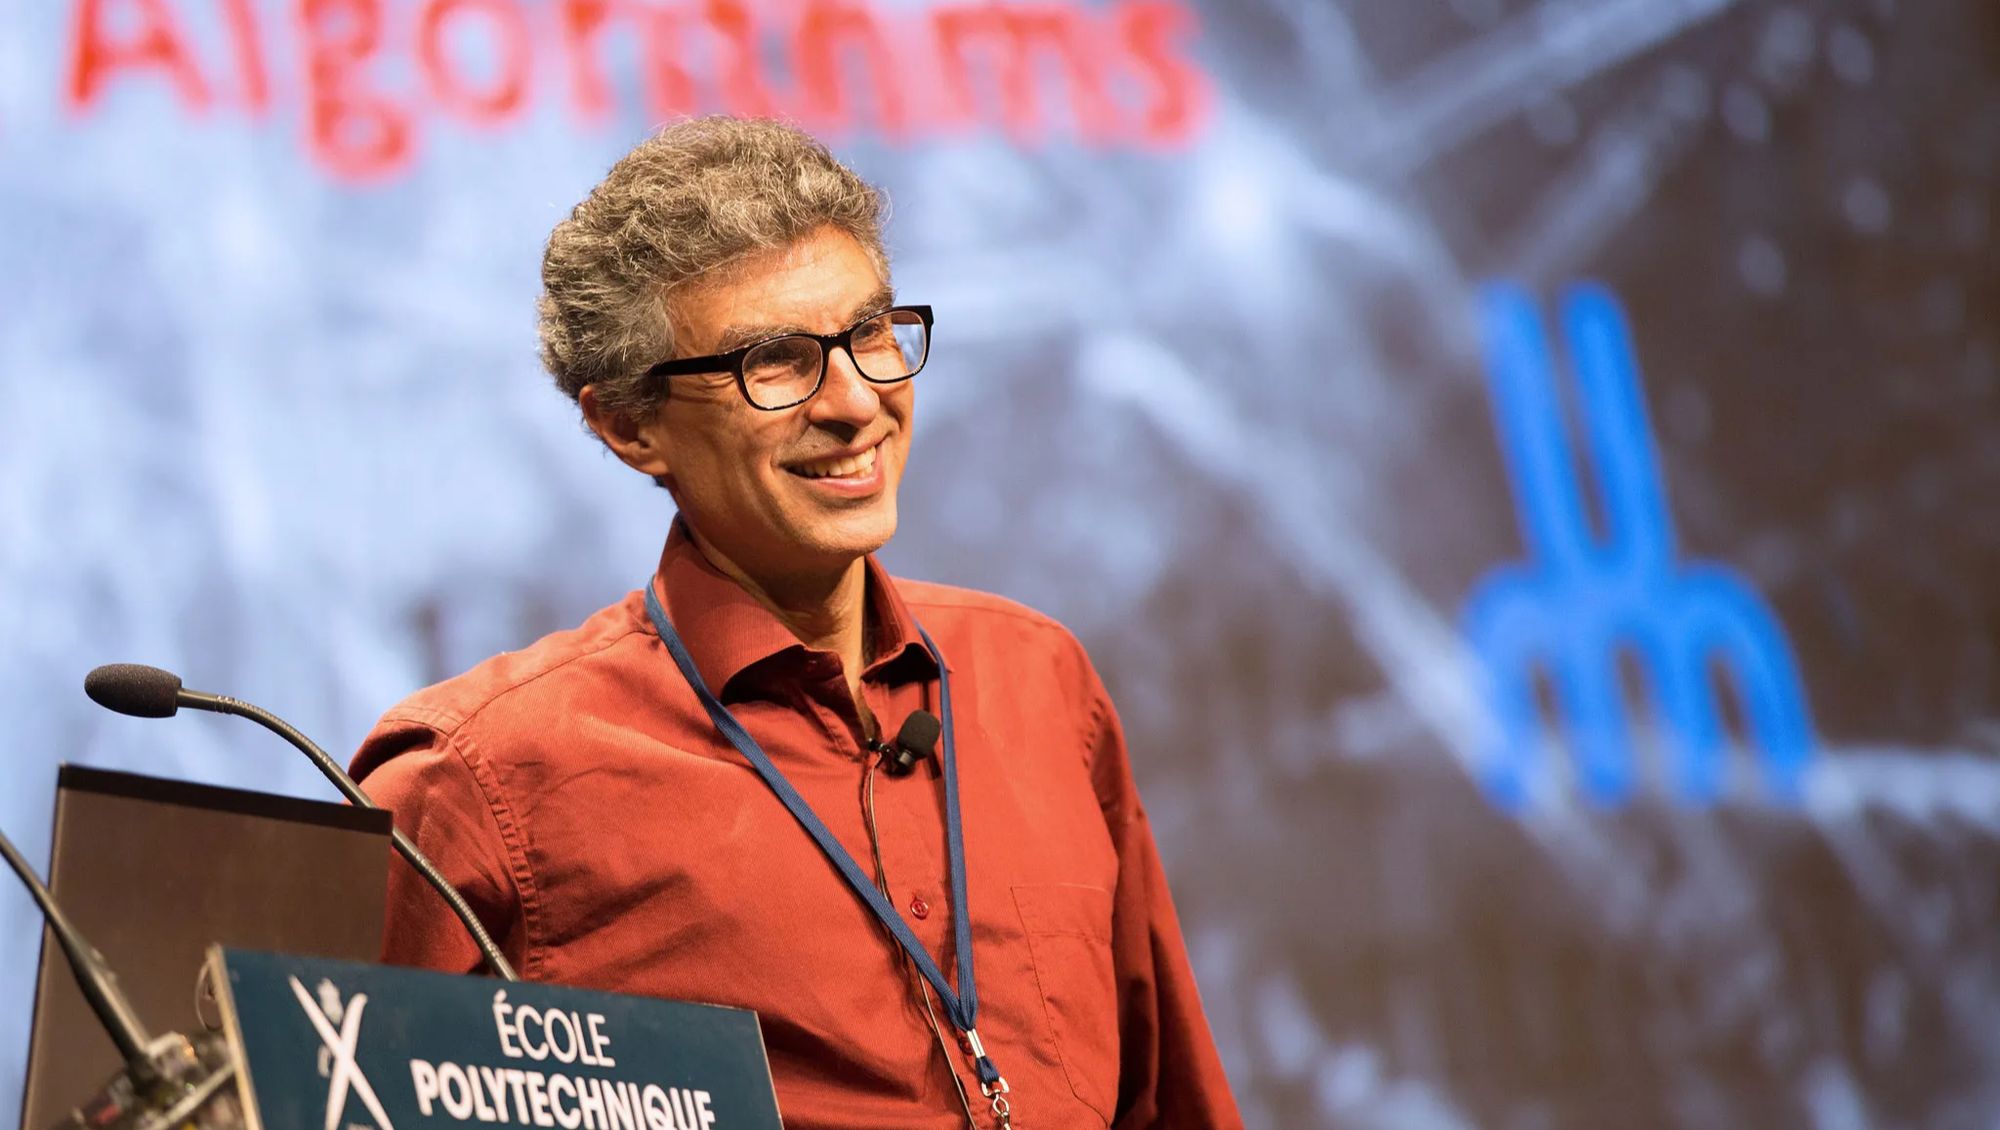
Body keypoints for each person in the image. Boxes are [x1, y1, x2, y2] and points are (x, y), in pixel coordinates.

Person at [352, 116, 1241, 1129]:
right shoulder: (479, 779)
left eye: (871, 334)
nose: (857, 402)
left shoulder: (1037, 678)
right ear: (630, 425)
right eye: (774, 362)